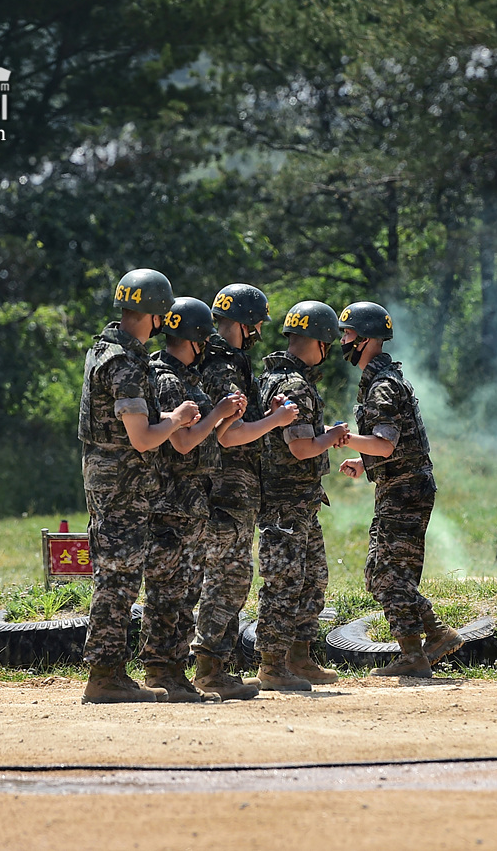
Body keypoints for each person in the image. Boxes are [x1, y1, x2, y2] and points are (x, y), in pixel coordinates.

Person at [77, 268, 200, 704]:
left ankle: (110, 671)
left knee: (121, 575)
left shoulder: (106, 351)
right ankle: (105, 675)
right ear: (155, 313)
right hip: (120, 485)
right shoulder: (125, 362)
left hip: (116, 482)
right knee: (118, 577)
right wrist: (179, 417)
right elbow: (143, 436)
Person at [336, 302, 463, 678]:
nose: (343, 341)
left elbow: (386, 443)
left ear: (367, 339)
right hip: (399, 487)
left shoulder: (383, 386)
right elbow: (392, 445)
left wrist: (341, 439)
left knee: (390, 576)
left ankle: (414, 653)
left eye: (348, 334)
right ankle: (434, 635)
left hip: (406, 491)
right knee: (380, 573)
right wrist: (365, 461)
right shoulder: (380, 380)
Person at [192, 284, 300, 701]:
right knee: (228, 577)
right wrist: (276, 421)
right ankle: (210, 669)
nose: (258, 331)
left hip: (233, 489)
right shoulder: (222, 365)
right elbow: (229, 435)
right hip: (225, 488)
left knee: (229, 575)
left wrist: (265, 411)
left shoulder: (228, 361)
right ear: (242, 322)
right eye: (255, 323)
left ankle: (215, 666)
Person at [144, 297, 248, 702]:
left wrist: (224, 417)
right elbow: (184, 441)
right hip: (173, 502)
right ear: (198, 337)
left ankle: (174, 673)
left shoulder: (185, 377)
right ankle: (161, 672)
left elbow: (203, 433)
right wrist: (216, 411)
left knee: (185, 591)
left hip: (191, 503)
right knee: (168, 592)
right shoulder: (169, 380)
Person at [255, 300, 350, 692]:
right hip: (285, 501)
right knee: (285, 581)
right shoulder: (294, 385)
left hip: (299, 502)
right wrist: (334, 436)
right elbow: (300, 447)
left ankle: (299, 657)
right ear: (320, 342)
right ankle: (273, 665)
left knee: (312, 579)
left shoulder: (274, 378)